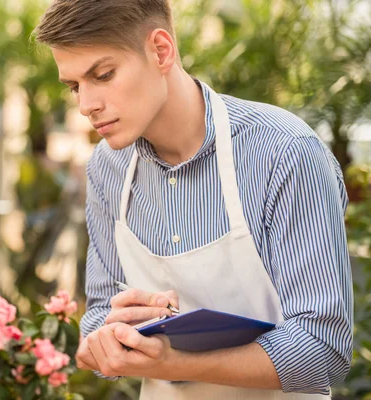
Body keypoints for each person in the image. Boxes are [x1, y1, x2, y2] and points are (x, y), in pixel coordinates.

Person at [32, 1, 353, 399]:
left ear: (161, 51)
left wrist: (172, 361)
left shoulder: (283, 152)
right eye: (75, 86)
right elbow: (97, 320)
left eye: (103, 75)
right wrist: (112, 337)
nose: (86, 105)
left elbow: (324, 351)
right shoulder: (108, 167)